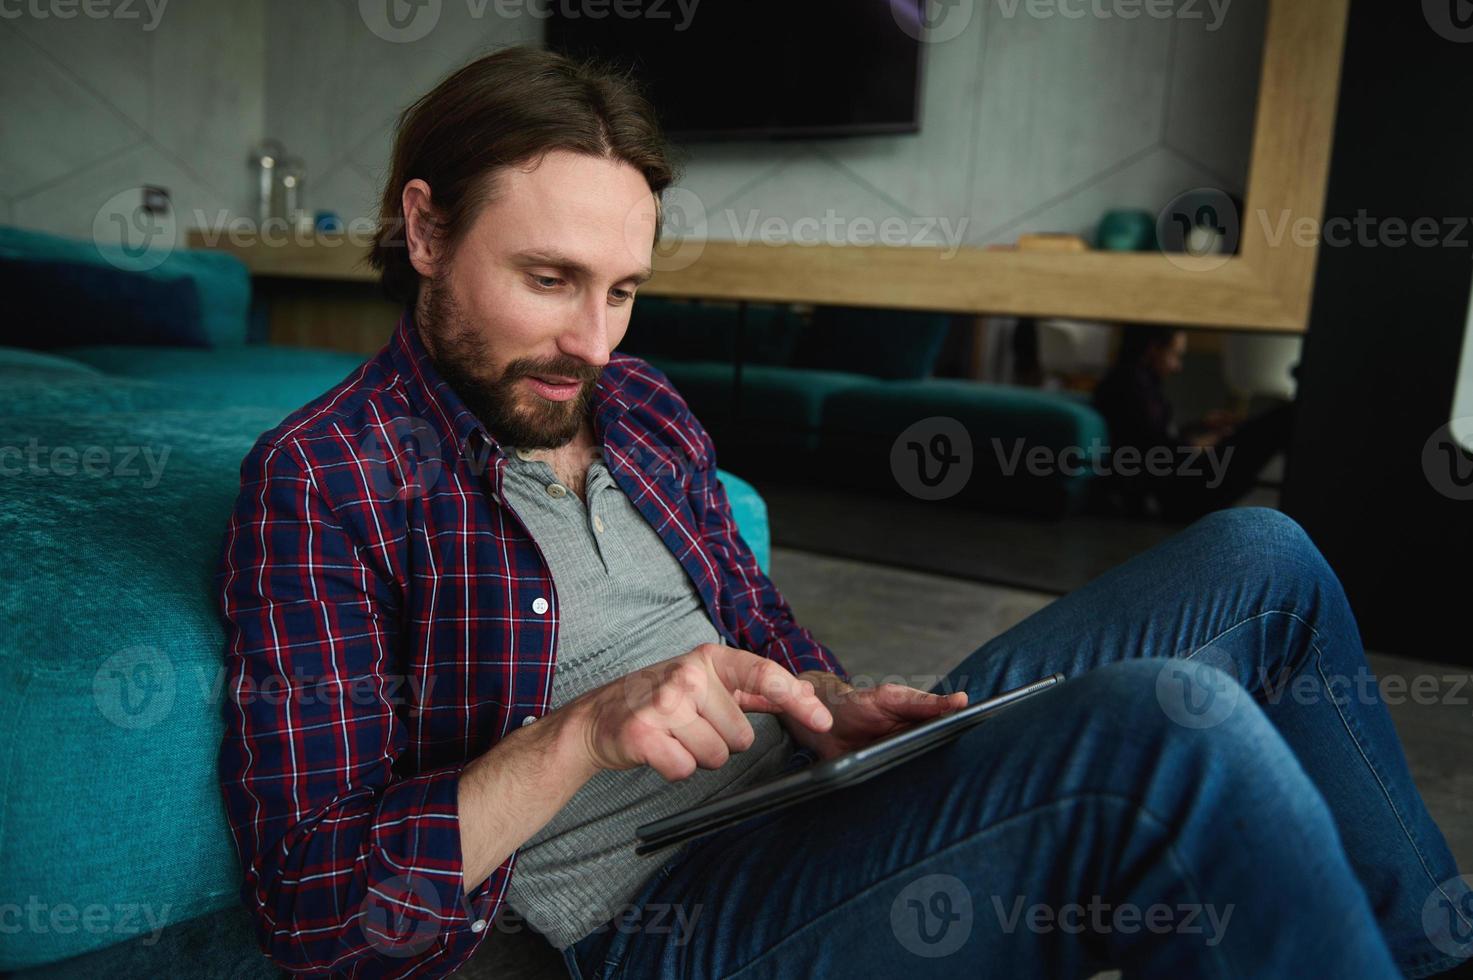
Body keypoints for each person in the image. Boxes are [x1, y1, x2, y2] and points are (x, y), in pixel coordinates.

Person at [215, 46, 1471, 980]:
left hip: (812, 797)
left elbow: (760, 623)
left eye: (625, 291)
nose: (592, 342)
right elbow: (323, 911)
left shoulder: (641, 403)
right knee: (1162, 733)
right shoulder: (324, 482)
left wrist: (832, 699)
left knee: (1266, 557)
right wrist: (582, 733)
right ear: (426, 228)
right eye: (548, 280)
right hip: (661, 923)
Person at [1091, 324, 1297, 521]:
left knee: (1257, 428)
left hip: (1180, 482)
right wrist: (1200, 446)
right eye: (1175, 355)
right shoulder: (1131, 388)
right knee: (1278, 422)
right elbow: (1156, 453)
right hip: (1178, 495)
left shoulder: (1136, 383)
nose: (1177, 367)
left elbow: (1154, 436)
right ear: (1154, 348)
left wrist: (1201, 427)